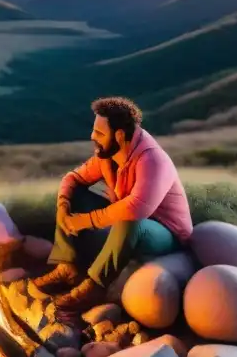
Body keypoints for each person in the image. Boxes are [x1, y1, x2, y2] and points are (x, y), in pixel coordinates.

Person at [32, 96, 193, 320]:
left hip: (164, 234)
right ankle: (67, 267)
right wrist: (63, 206)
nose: (92, 137)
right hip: (127, 224)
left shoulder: (153, 160)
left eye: (99, 133)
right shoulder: (108, 154)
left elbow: (136, 208)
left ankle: (95, 286)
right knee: (75, 194)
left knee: (130, 217)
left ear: (118, 135)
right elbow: (73, 178)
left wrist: (85, 221)